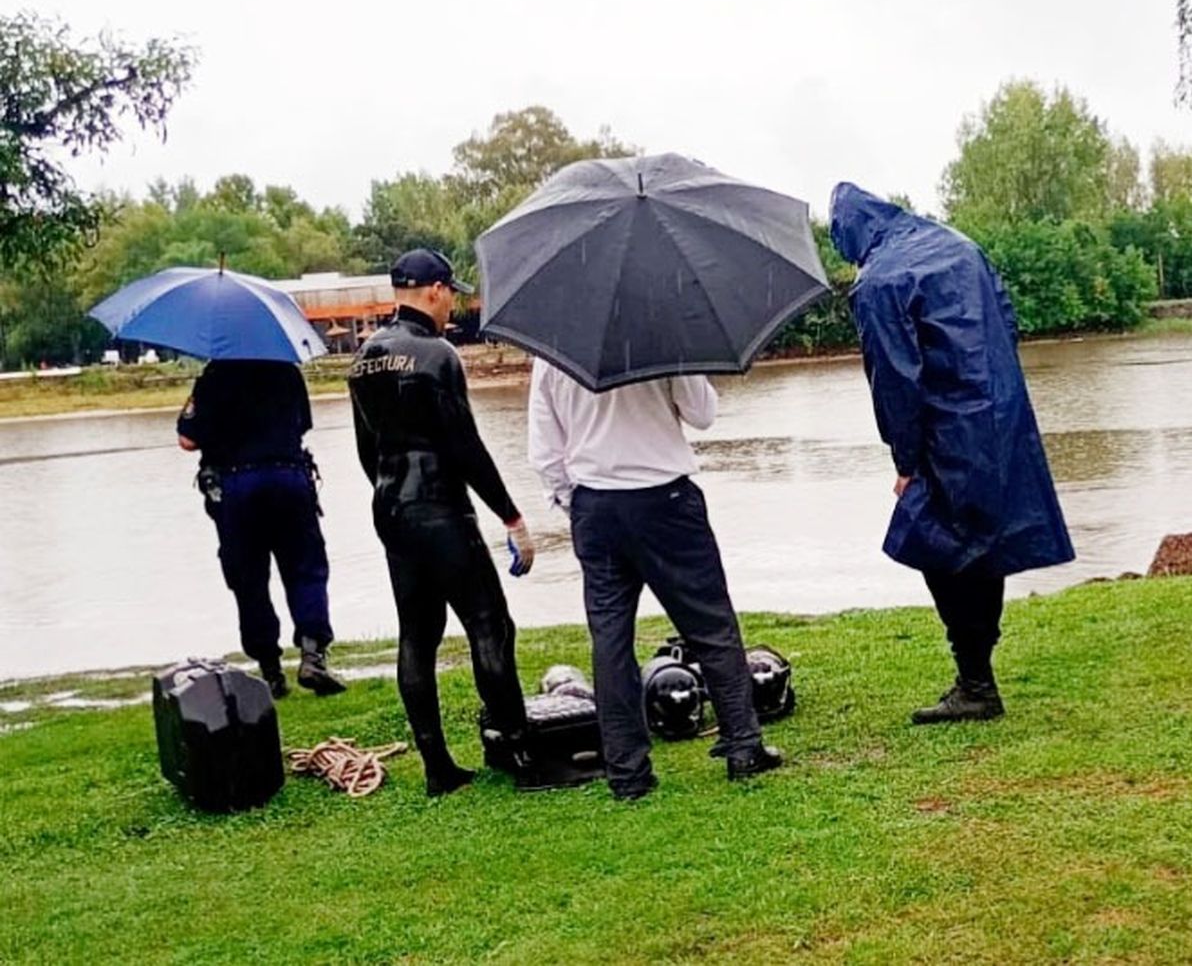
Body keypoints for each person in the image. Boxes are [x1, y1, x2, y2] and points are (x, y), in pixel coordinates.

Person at [828, 183, 1075, 724]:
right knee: (985, 539)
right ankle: (978, 667)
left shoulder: (878, 281)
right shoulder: (959, 244)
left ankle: (975, 681)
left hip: (945, 431)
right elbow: (1007, 322)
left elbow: (895, 379)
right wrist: (994, 392)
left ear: (849, 234)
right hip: (1001, 415)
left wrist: (905, 462)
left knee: (933, 542)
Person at [528, 359, 782, 800]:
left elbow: (545, 449)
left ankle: (627, 771)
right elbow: (702, 414)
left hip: (596, 502)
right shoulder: (663, 336)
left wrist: (575, 502)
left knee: (610, 639)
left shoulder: (553, 350)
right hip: (664, 498)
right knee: (710, 625)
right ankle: (743, 744)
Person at [348, 248, 537, 796]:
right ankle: (518, 748)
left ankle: (437, 765)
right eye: (450, 291)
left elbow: (367, 450)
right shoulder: (437, 354)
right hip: (439, 505)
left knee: (418, 634)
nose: (452, 301)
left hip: (391, 505)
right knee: (490, 625)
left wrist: (394, 498)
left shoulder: (363, 359)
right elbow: (465, 446)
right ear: (433, 290)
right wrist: (510, 514)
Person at [177, 359, 344, 699]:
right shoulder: (286, 370)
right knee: (306, 570)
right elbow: (302, 426)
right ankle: (313, 656)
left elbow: (187, 440)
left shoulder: (213, 377)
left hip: (236, 486)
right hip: (288, 478)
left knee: (248, 578)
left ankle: (270, 671)